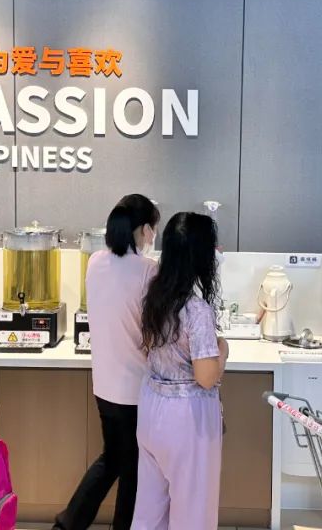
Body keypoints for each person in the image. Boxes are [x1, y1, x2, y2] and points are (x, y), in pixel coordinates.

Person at [55, 194, 160, 530]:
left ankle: (68, 524)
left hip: (104, 384)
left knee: (112, 459)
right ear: (145, 230)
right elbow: (155, 329)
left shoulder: (95, 261)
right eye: (153, 228)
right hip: (135, 389)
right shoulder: (149, 270)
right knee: (132, 469)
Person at [132, 212, 229, 530]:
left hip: (151, 410)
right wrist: (223, 350)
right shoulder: (196, 310)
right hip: (187, 420)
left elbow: (149, 349)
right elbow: (206, 377)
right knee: (193, 515)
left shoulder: (153, 297)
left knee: (150, 513)